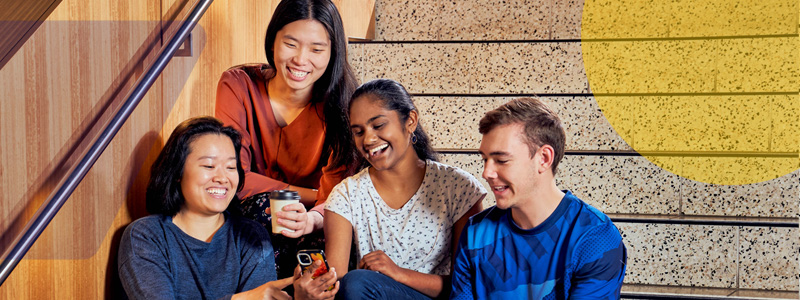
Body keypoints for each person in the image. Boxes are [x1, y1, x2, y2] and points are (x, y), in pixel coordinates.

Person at [118, 117, 339, 300]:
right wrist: (240, 299)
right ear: (177, 172)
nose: (222, 178)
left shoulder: (250, 235)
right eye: (208, 166)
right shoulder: (146, 236)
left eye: (231, 167)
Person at [214, 0, 358, 278]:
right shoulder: (238, 85)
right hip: (251, 214)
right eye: (291, 44)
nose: (301, 60)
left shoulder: (342, 106)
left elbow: (338, 198)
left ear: (333, 53)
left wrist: (312, 216)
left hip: (315, 221)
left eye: (316, 49)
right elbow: (235, 175)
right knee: (262, 211)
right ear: (272, 42)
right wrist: (308, 193)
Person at [324, 79, 487, 299]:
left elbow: (466, 285)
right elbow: (339, 288)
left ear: (410, 121)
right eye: (358, 131)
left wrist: (398, 274)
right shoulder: (345, 196)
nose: (369, 139)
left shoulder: (459, 188)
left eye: (378, 125)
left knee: (358, 282)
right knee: (353, 284)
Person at [449, 98, 627, 299]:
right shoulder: (475, 232)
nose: (486, 172)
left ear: (544, 159)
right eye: (485, 159)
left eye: (501, 160)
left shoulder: (594, 237)